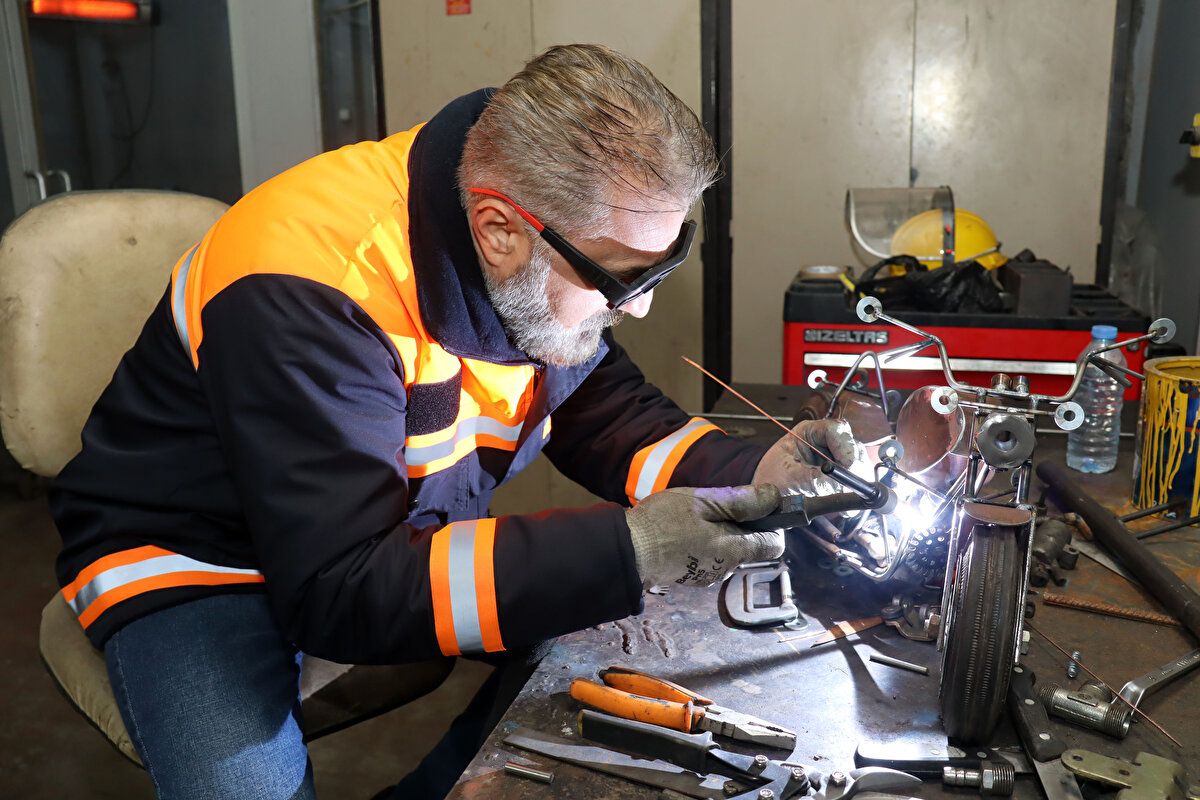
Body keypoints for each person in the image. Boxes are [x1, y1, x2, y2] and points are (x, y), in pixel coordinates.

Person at [51, 44, 866, 799]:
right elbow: (342, 594)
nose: (642, 306)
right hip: (196, 555)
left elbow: (599, 408)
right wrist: (630, 548)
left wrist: (760, 474)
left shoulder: (523, 222)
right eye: (621, 280)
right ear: (499, 229)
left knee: (629, 641)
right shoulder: (304, 289)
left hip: (378, 532)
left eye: (661, 266)